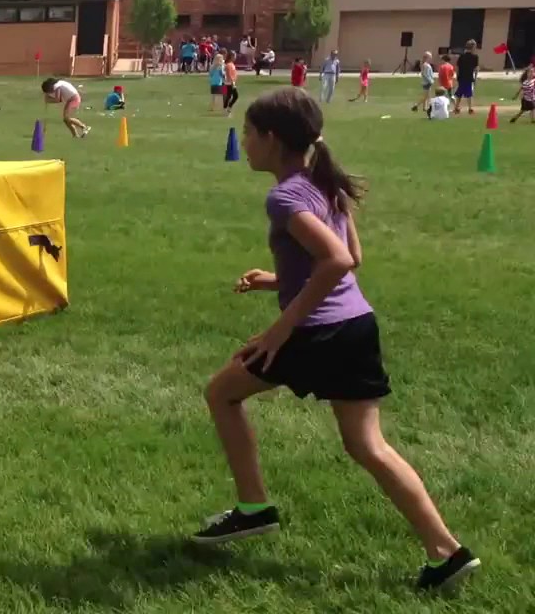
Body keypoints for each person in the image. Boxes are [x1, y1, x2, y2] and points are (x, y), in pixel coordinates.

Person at [193, 86, 480, 591]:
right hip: (354, 326)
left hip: (317, 332)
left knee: (221, 393)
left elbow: (339, 261)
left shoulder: (284, 196)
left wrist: (280, 328)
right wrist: (278, 281)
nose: (245, 141)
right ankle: (446, 551)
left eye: (249, 133)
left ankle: (254, 506)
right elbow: (348, 260)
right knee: (368, 445)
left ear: (273, 139)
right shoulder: (326, 184)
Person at [454, 41, 480, 115]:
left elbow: (457, 68)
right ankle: (470, 108)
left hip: (461, 77)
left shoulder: (461, 56)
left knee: (460, 92)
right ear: (473, 47)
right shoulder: (475, 57)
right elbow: (476, 69)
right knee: (469, 93)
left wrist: (457, 76)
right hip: (469, 77)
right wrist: (475, 78)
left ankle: (456, 107)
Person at [223, 51, 240, 116]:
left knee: (232, 96)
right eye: (234, 56)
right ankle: (226, 110)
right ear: (231, 56)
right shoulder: (228, 65)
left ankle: (228, 108)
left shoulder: (231, 64)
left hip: (232, 82)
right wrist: (232, 82)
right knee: (231, 96)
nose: (235, 57)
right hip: (228, 83)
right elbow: (229, 74)